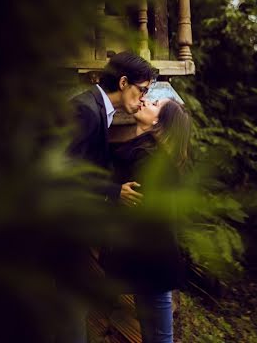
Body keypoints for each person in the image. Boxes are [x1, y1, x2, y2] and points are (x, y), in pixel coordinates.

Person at [64, 50, 155, 343]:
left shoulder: (98, 109)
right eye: (142, 90)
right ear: (124, 81)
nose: (143, 98)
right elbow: (63, 167)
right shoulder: (85, 109)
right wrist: (114, 191)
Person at [104, 95, 192, 343]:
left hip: (154, 263)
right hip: (149, 263)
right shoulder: (145, 151)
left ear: (159, 124)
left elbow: (134, 210)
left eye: (155, 104)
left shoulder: (151, 161)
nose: (145, 102)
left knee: (160, 338)